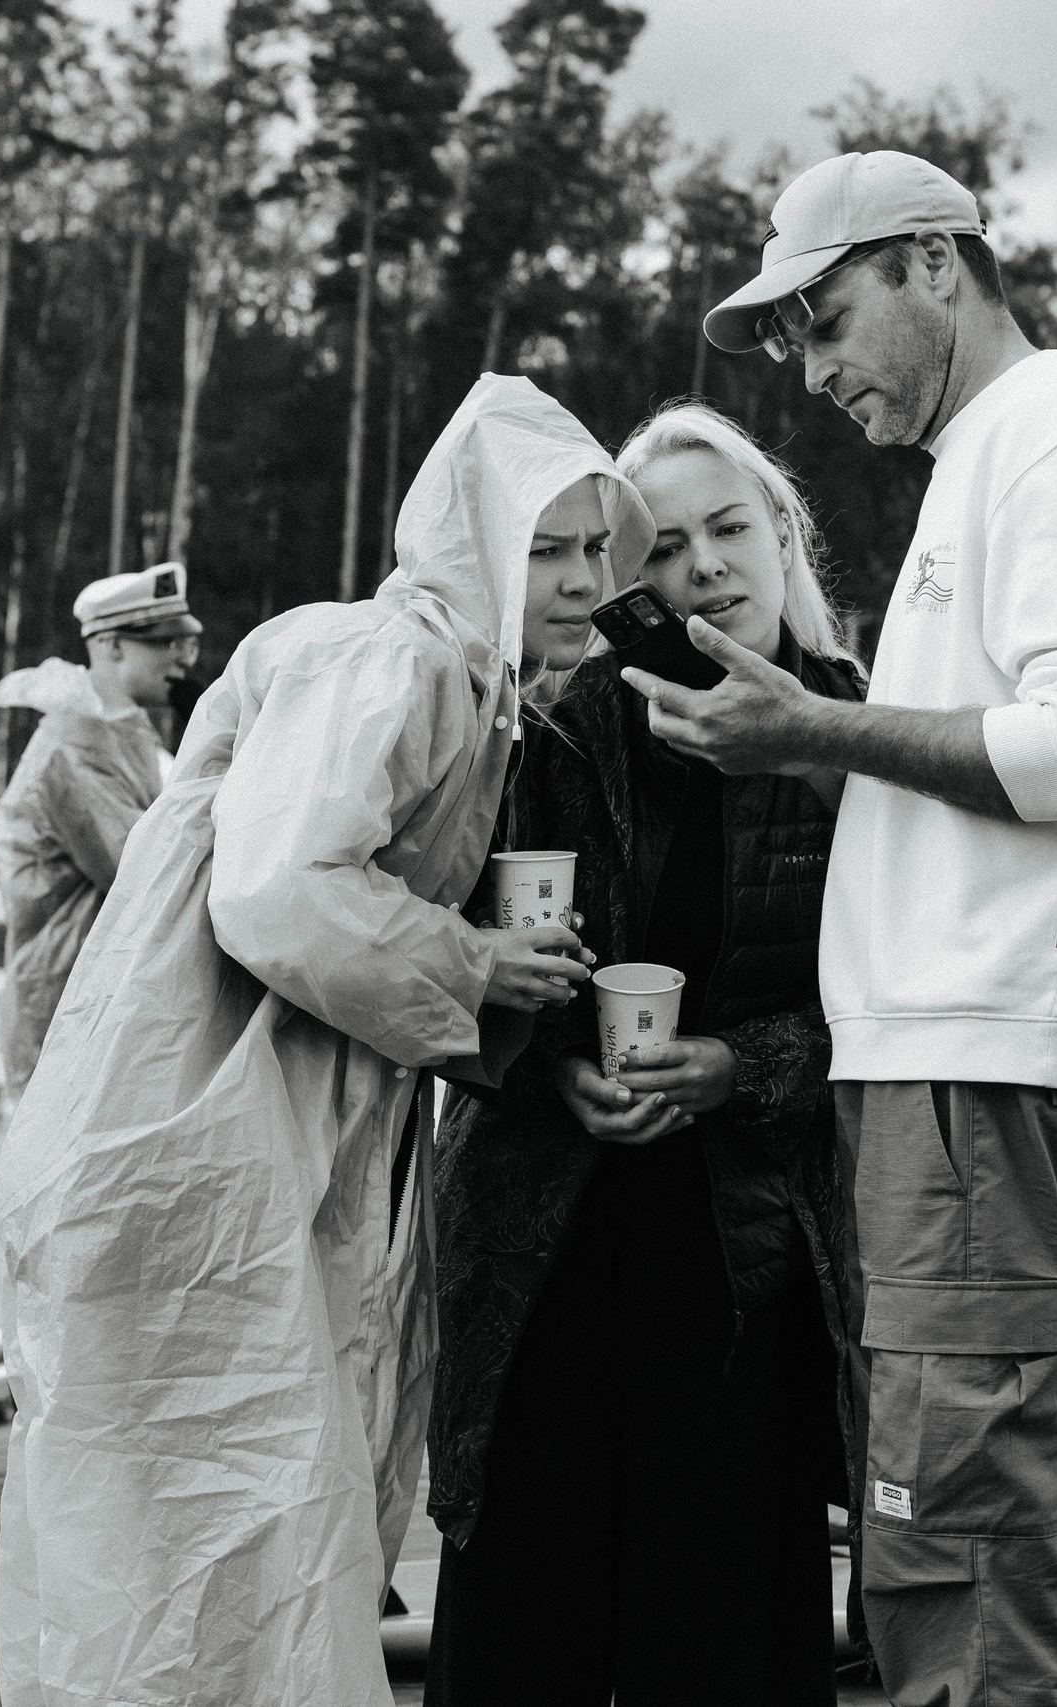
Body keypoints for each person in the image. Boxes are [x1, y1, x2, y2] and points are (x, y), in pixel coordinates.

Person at [634, 151, 1057, 1705]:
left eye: (828, 320)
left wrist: (812, 734)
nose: (817, 370)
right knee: (950, 1521)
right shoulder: (1012, 450)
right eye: (788, 345)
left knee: (955, 1534)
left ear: (933, 263)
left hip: (995, 1062)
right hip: (978, 1060)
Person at [0, 373, 647, 1707]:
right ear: (476, 546)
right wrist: (474, 958)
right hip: (194, 1130)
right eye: (547, 547)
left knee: (260, 1523)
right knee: (213, 1521)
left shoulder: (465, 679)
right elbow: (277, 890)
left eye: (595, 548)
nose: (585, 580)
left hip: (249, 1129)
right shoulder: (388, 657)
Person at [425, 401, 867, 1706]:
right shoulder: (568, 727)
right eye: (666, 548)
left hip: (744, 1245)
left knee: (719, 1619)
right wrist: (557, 1061)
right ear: (637, 582)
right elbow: (467, 952)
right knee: (522, 1611)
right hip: (549, 1233)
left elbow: (905, 999)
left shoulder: (857, 734)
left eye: (732, 527)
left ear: (784, 535)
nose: (707, 566)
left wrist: (740, 1064)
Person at [0, 563, 198, 1099]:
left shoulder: (124, 741)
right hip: (70, 1024)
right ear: (109, 645)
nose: (180, 656)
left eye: (185, 642)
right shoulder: (75, 749)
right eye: (163, 641)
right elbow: (154, 869)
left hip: (98, 1020)